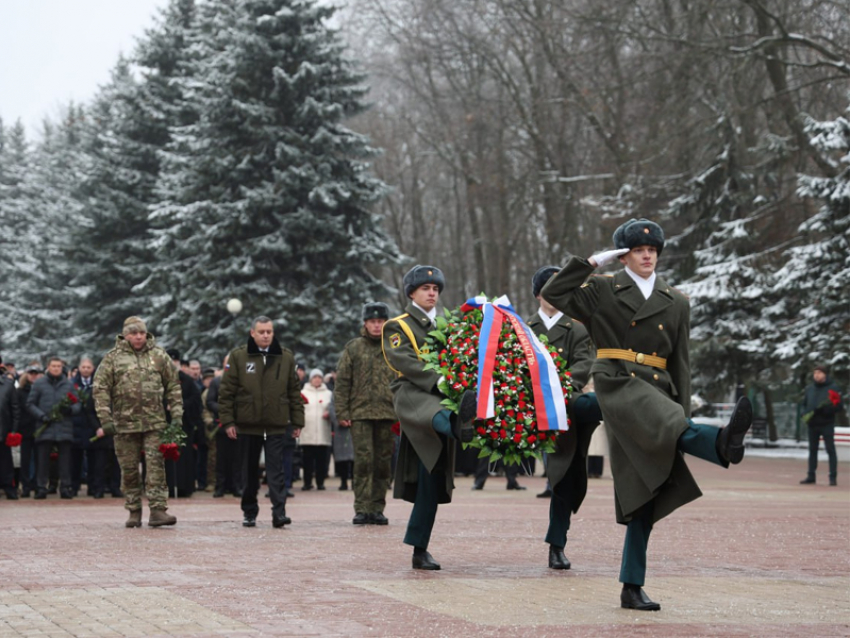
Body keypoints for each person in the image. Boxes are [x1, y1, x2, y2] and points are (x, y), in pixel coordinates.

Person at [541, 218, 754, 611]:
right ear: (624, 255)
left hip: (658, 389)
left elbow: (681, 364)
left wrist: (682, 410)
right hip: (617, 381)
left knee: (642, 492)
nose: (647, 256)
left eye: (652, 250)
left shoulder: (677, 300)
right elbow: (555, 291)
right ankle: (721, 445)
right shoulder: (602, 288)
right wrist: (591, 262)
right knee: (664, 424)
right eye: (639, 250)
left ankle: (631, 586)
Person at [382, 265, 476, 570]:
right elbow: (403, 360)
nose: (432, 293)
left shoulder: (448, 325)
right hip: (413, 393)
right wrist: (439, 379)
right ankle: (460, 429)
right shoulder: (398, 325)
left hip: (445, 397)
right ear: (412, 292)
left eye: (436, 289)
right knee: (438, 417)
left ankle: (419, 548)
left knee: (431, 479)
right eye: (425, 288)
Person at [527, 265, 602, 570]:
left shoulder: (578, 328)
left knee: (572, 478)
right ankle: (556, 545)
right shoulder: (524, 328)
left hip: (568, 406)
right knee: (559, 476)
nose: (554, 296)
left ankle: (558, 541)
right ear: (537, 294)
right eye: (548, 289)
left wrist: (560, 386)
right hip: (533, 411)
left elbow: (584, 361)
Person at [92, 316, 182, 527]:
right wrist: (105, 418)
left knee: (155, 467)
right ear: (126, 335)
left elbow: (174, 386)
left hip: (154, 423)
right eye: (134, 333)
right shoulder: (113, 358)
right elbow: (100, 389)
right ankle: (133, 510)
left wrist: (176, 415)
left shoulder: (159, 356)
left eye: (141, 332)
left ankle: (158, 510)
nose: (139, 337)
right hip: (124, 424)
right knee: (129, 469)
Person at [218, 316, 305, 528]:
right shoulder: (239, 357)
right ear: (252, 333)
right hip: (248, 424)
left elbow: (294, 392)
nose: (266, 335)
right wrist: (228, 421)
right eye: (262, 331)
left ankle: (279, 513)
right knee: (248, 471)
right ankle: (249, 512)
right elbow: (226, 393)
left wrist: (297, 421)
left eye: (269, 331)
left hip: (276, 423)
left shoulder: (285, 358)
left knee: (277, 471)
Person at [335, 302, 398, 524]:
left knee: (382, 462)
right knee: (363, 461)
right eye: (372, 322)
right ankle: (362, 507)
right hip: (360, 413)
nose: (376, 326)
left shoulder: (394, 346)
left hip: (387, 413)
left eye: (380, 322)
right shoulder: (354, 348)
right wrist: (342, 410)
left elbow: (403, 379)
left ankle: (377, 508)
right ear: (365, 323)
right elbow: (342, 381)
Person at [27, 357, 82, 500]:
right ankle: (41, 488)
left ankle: (65, 488)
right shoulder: (39, 384)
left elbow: (78, 405)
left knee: (65, 461)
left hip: (64, 427)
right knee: (43, 460)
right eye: (53, 366)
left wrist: (69, 410)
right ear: (48, 367)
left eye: (59, 366)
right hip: (45, 427)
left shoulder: (68, 384)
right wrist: (41, 416)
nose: (56, 368)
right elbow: (30, 404)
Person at [800, 364, 844, 486]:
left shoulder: (833, 388)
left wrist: (825, 410)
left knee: (830, 450)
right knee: (812, 450)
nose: (817, 375)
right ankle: (811, 475)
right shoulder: (810, 388)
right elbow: (804, 403)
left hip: (826, 424)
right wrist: (804, 413)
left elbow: (839, 406)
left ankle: (832, 477)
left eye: (819, 373)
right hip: (812, 424)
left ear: (825, 374)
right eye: (815, 373)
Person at [165, 349, 201, 497]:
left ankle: (184, 487)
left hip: (184, 425)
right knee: (166, 455)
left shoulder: (187, 380)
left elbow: (195, 400)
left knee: (184, 457)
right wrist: (165, 405)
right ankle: (167, 486)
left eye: (175, 362)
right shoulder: (161, 378)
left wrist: (181, 404)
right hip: (166, 424)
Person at [207, 355, 242, 498]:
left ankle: (236, 486)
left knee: (237, 458)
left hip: (238, 425)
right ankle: (220, 487)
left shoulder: (242, 381)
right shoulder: (216, 381)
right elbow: (210, 401)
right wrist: (225, 409)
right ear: (224, 364)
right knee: (221, 459)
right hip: (221, 426)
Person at [300, 369, 333, 491]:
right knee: (307, 460)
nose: (317, 379)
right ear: (310, 379)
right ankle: (307, 482)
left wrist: (329, 413)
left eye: (319, 377)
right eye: (315, 377)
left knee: (322, 461)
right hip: (307, 432)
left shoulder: (328, 394)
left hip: (323, 432)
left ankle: (320, 482)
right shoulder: (303, 392)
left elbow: (332, 408)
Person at [16, 365, 42, 497]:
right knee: (25, 460)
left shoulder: (42, 389)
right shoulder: (20, 391)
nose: (33, 375)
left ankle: (38, 485)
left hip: (40, 428)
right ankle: (26, 486)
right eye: (31, 373)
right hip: (25, 429)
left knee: (39, 460)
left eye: (36, 373)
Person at [0, 358, 20, 500]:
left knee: (6, 462)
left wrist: (13, 430)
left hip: (3, 431)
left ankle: (9, 488)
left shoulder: (8, 384)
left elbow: (15, 410)